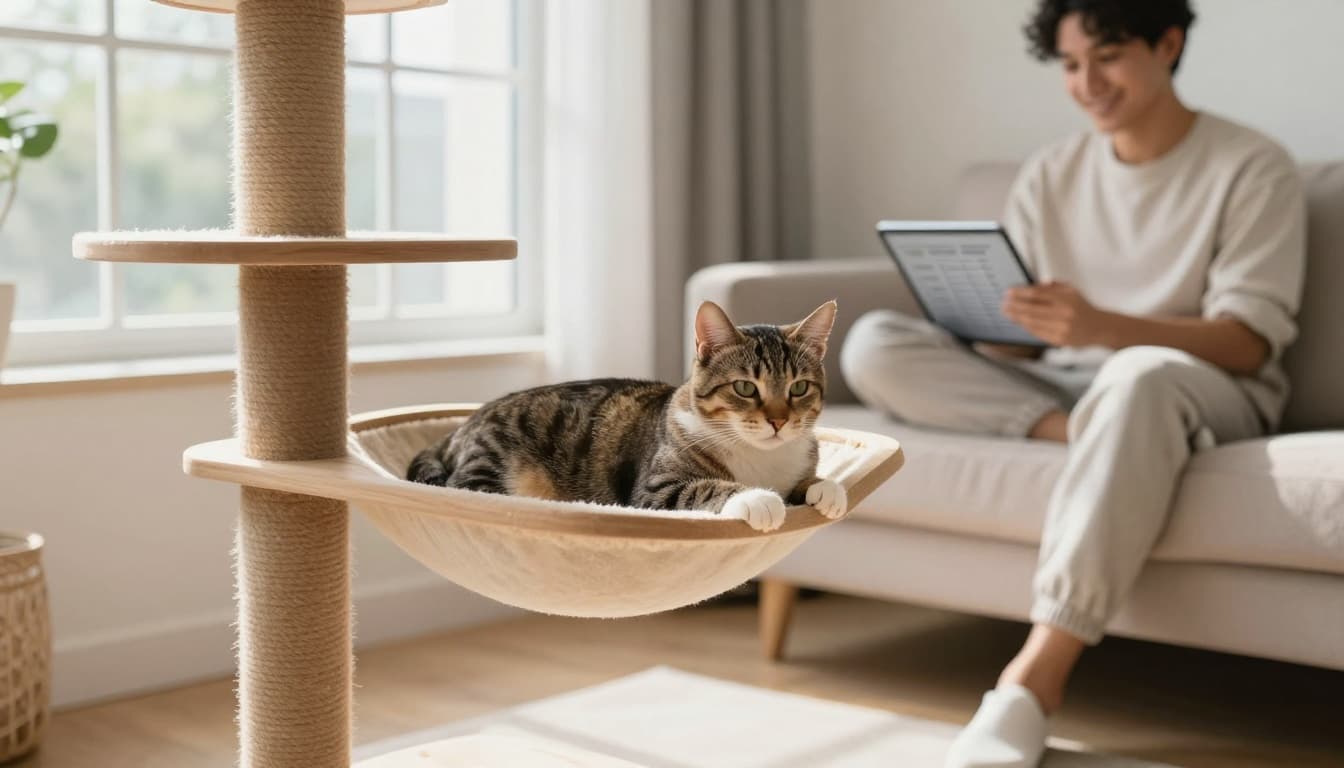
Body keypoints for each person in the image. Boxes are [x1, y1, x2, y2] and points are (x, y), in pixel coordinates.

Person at [838, 2, 1306, 766]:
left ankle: (1031, 681)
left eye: (1109, 57)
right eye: (1069, 64)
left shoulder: (1252, 166)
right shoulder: (1052, 173)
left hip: (1202, 387)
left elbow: (1248, 343)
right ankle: (1100, 440)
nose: (1088, 82)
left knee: (1137, 376)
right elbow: (1026, 351)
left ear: (1169, 44)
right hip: (1068, 389)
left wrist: (1103, 326)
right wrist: (994, 320)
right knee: (874, 343)